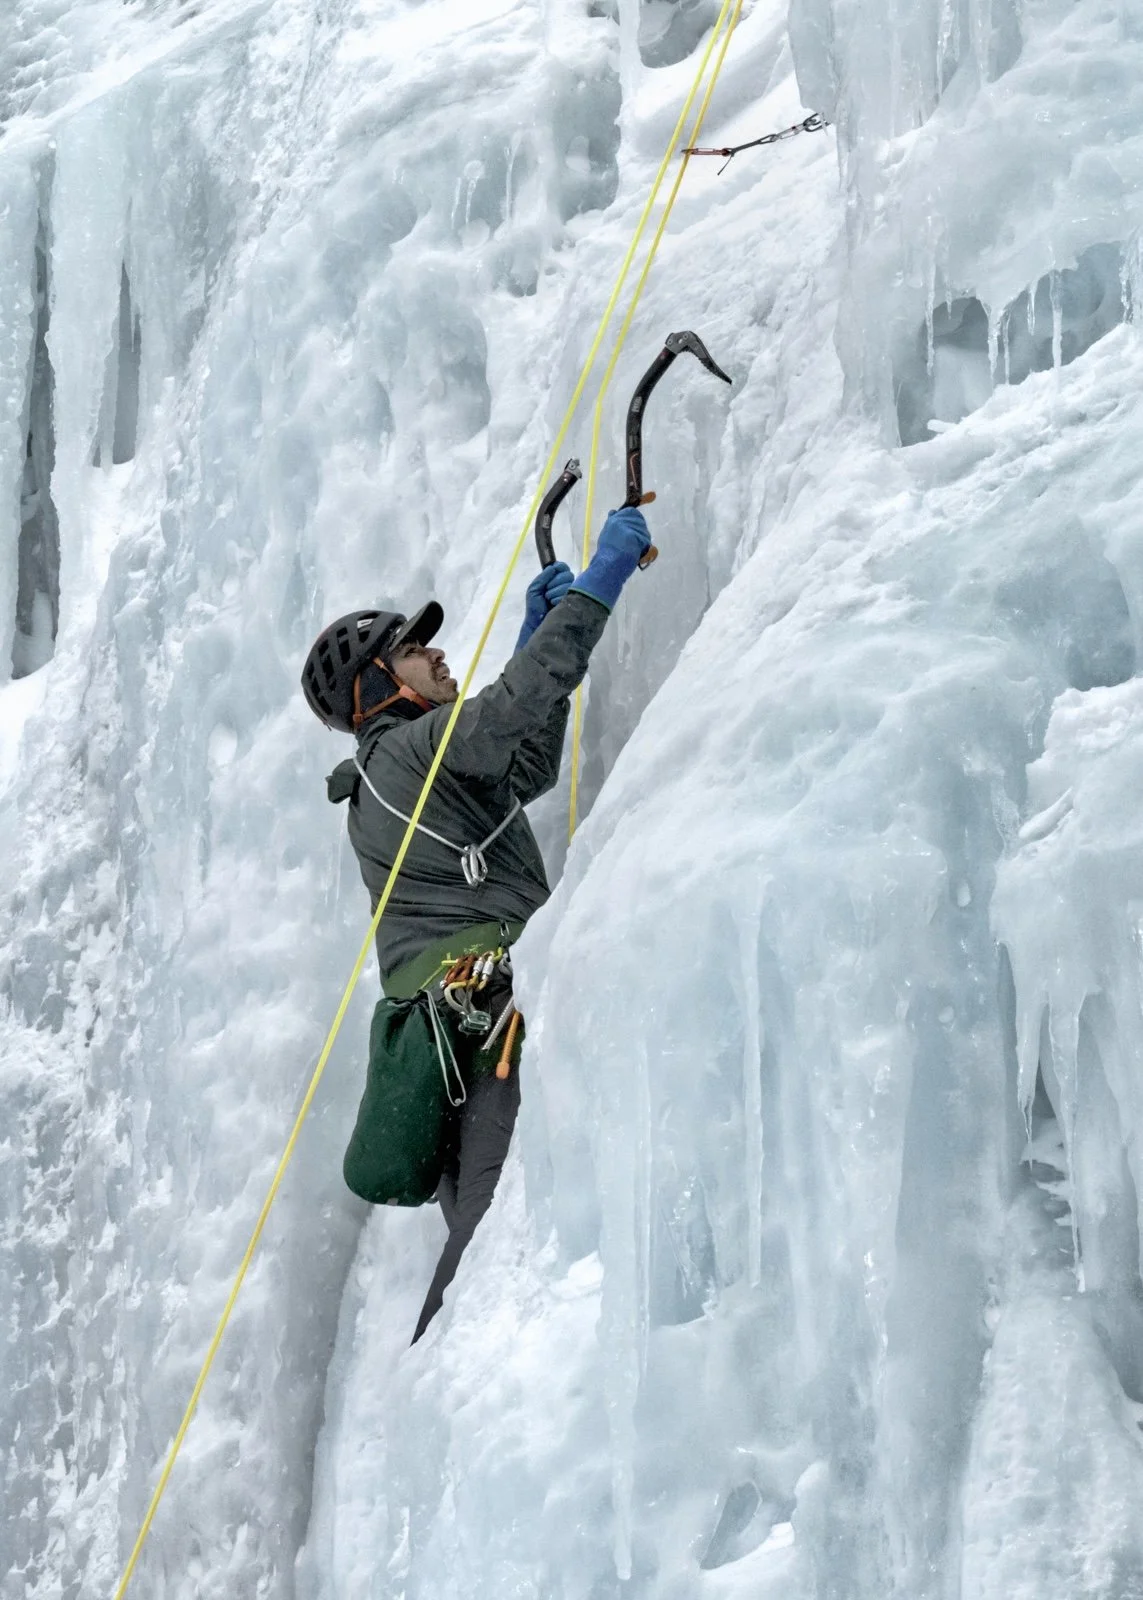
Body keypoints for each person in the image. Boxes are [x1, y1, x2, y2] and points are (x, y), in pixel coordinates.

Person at [301, 506, 652, 1341]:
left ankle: (441, 1378)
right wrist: (595, 591)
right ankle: (444, 1376)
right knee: (487, 1232)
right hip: (481, 1026)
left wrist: (542, 642)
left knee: (484, 1221)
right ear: (380, 687)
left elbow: (521, 765)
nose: (438, 654)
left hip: (464, 1038)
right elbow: (506, 711)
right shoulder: (404, 756)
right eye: (417, 652)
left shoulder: (401, 769)